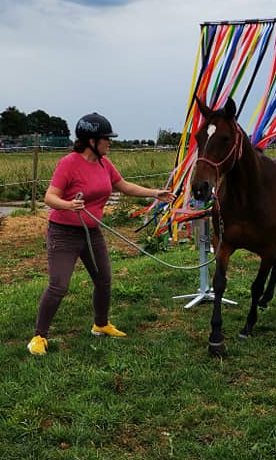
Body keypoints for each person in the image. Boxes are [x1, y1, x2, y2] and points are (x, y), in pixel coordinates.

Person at [28, 112, 175, 355]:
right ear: (91, 141)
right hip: (63, 234)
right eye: (106, 138)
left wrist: (154, 193)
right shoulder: (68, 163)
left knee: (104, 280)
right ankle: (39, 336)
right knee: (59, 286)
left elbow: (124, 186)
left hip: (92, 233)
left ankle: (101, 324)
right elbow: (49, 197)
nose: (110, 142)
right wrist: (68, 205)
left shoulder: (104, 163)